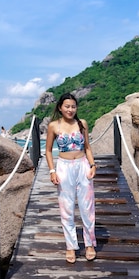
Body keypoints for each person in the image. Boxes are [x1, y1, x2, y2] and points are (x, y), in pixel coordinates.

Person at [45, 93, 97, 264]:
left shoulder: (82, 124)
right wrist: (52, 171)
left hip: (82, 166)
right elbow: (48, 151)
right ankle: (71, 246)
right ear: (60, 107)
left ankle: (89, 244)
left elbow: (87, 147)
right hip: (64, 167)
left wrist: (92, 165)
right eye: (67, 106)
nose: (70, 109)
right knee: (66, 207)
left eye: (73, 106)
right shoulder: (54, 125)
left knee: (87, 207)